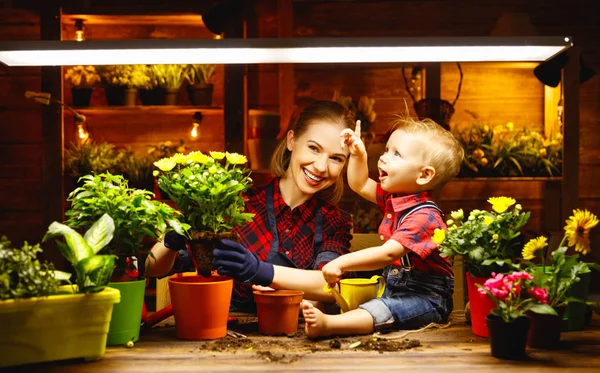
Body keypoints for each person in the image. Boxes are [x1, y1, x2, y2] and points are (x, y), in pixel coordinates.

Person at [145, 100, 355, 312]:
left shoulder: (334, 221)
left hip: (299, 338)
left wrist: (260, 271)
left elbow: (332, 285)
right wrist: (173, 237)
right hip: (222, 334)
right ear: (292, 140)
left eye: (336, 158)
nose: (320, 166)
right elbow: (151, 268)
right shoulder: (236, 205)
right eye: (313, 148)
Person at [301, 116, 464, 338]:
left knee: (382, 309)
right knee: (351, 272)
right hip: (392, 282)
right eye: (387, 150)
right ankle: (317, 302)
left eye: (396, 154)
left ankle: (329, 324)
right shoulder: (394, 198)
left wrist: (341, 262)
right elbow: (359, 184)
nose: (384, 158)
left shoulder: (426, 216)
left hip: (426, 298)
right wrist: (359, 154)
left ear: (424, 175)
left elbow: (388, 253)